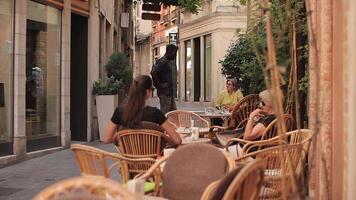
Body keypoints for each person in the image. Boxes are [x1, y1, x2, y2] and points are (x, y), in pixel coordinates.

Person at [103, 75, 182, 145]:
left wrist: (121, 138)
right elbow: (177, 140)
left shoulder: (119, 111)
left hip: (127, 159)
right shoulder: (155, 114)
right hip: (152, 160)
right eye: (153, 89)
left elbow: (106, 139)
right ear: (147, 92)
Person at [151, 44, 178, 114]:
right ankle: (160, 125)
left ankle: (172, 125)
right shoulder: (163, 61)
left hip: (169, 92)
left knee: (174, 114)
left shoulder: (167, 62)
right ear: (170, 52)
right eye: (175, 53)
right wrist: (159, 85)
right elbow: (153, 72)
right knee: (165, 114)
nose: (175, 56)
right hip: (165, 93)